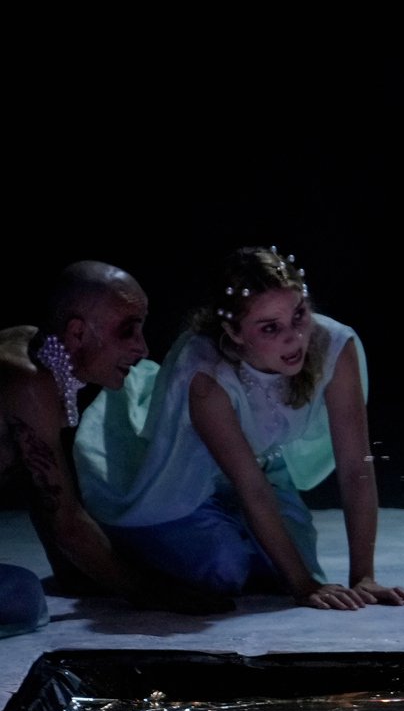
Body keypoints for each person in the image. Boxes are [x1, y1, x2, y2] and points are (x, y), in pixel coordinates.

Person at [74, 245, 404, 611]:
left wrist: (362, 576)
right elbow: (249, 485)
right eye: (270, 327)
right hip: (187, 475)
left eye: (299, 315)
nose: (295, 337)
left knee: (286, 567)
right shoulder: (206, 372)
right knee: (225, 571)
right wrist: (303, 587)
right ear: (234, 332)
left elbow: (356, 467)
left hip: (263, 469)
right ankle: (113, 549)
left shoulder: (333, 344)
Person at [1, 261, 232, 638]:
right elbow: (68, 523)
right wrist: (150, 591)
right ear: (77, 333)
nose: (141, 348)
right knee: (21, 596)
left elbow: (40, 488)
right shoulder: (29, 381)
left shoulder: (36, 347)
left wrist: (76, 574)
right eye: (127, 330)